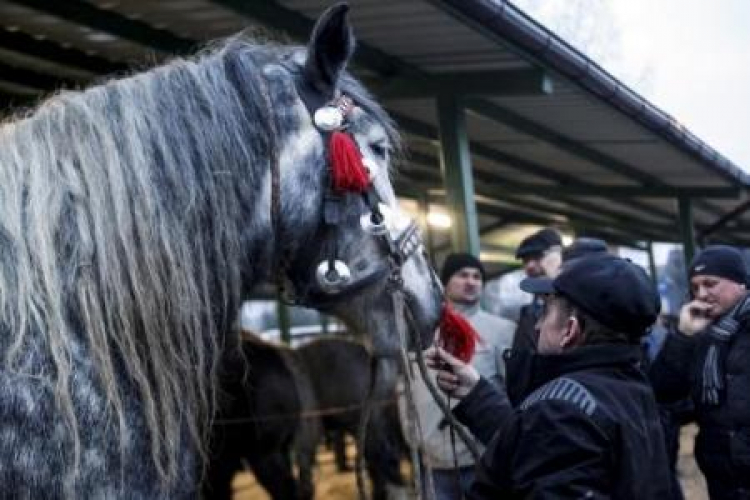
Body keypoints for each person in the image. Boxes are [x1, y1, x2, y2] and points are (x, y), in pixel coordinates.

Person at [427, 254, 673, 498]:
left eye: (545, 312)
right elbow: (537, 446)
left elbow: (553, 436)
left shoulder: (560, 413)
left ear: (570, 330)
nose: (537, 326)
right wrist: (478, 395)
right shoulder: (630, 386)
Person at [399, 253, 515, 500]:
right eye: (462, 275)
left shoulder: (503, 331)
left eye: (477, 276)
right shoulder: (419, 334)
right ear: (444, 282)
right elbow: (405, 388)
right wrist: (413, 438)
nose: (471, 281)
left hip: (482, 461)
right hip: (433, 464)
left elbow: (514, 392)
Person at [649, 245, 750, 499]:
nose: (701, 294)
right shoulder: (700, 336)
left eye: (711, 283)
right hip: (723, 479)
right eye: (695, 287)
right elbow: (664, 393)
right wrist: (683, 337)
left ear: (740, 283)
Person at [512, 228, 562, 352]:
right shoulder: (527, 315)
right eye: (525, 260)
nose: (529, 266)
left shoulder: (579, 307)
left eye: (537, 257)